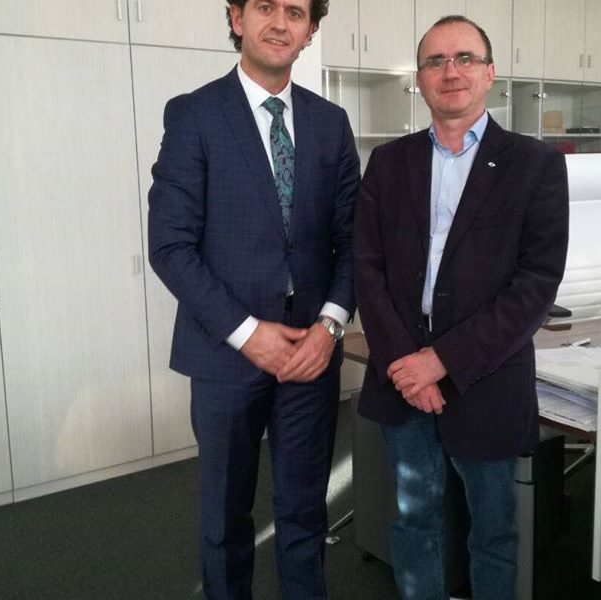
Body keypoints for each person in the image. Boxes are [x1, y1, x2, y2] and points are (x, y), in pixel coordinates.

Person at [147, 1, 360, 598]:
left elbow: (355, 241)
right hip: (225, 356)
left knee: (304, 514)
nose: (279, 22)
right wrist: (247, 333)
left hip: (312, 355)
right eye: (264, 6)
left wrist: (330, 327)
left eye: (295, 11)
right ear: (237, 19)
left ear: (310, 31)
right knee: (225, 521)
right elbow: (170, 246)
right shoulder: (194, 115)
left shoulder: (331, 123)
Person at [354, 15, 569, 600]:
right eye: (436, 61)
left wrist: (441, 361)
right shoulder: (388, 162)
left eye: (465, 58)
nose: (451, 71)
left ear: (490, 73)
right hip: (402, 381)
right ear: (420, 78)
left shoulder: (535, 164)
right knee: (414, 523)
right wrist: (407, 364)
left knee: (492, 533)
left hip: (486, 380)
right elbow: (366, 270)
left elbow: (535, 285)